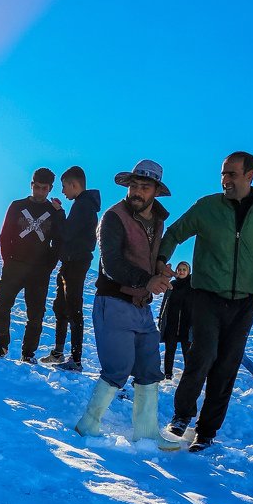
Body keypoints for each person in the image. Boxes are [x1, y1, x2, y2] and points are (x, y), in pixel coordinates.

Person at [157, 151, 253, 451]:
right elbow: (175, 232)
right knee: (202, 357)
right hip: (207, 295)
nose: (225, 179)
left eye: (231, 174)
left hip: (245, 302)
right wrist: (160, 260)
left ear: (250, 175)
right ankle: (182, 416)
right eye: (223, 173)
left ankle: (206, 431)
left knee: (227, 365)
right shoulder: (207, 207)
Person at [75, 159, 178, 450]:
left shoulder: (158, 221)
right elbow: (111, 263)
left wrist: (161, 271)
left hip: (141, 306)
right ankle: (88, 425)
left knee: (149, 367)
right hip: (114, 300)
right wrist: (148, 280)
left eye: (144, 187)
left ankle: (146, 434)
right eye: (134, 185)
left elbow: (150, 257)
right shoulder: (113, 217)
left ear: (156, 191)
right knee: (117, 369)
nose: (137, 192)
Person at [0, 167, 63, 363]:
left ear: (50, 188)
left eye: (44, 188)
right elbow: (5, 235)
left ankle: (28, 354)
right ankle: (0, 347)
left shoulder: (53, 212)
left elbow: (59, 241)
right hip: (14, 265)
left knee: (36, 314)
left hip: (40, 270)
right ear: (31, 185)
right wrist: (8, 261)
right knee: (2, 305)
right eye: (36, 187)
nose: (39, 192)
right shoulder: (17, 206)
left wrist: (49, 266)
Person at [40, 166, 101, 371]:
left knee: (73, 307)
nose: (63, 191)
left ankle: (75, 359)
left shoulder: (83, 205)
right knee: (61, 306)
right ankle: (58, 352)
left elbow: (67, 232)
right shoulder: (83, 204)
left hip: (76, 262)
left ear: (74, 185)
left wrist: (59, 213)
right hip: (70, 262)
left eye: (65, 186)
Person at [156, 260, 193, 379]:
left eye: (184, 270)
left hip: (186, 324)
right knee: (170, 349)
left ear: (188, 272)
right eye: (179, 269)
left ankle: (188, 374)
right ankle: (168, 373)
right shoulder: (171, 285)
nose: (181, 272)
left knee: (187, 351)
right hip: (171, 323)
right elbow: (164, 303)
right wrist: (162, 319)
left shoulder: (193, 286)